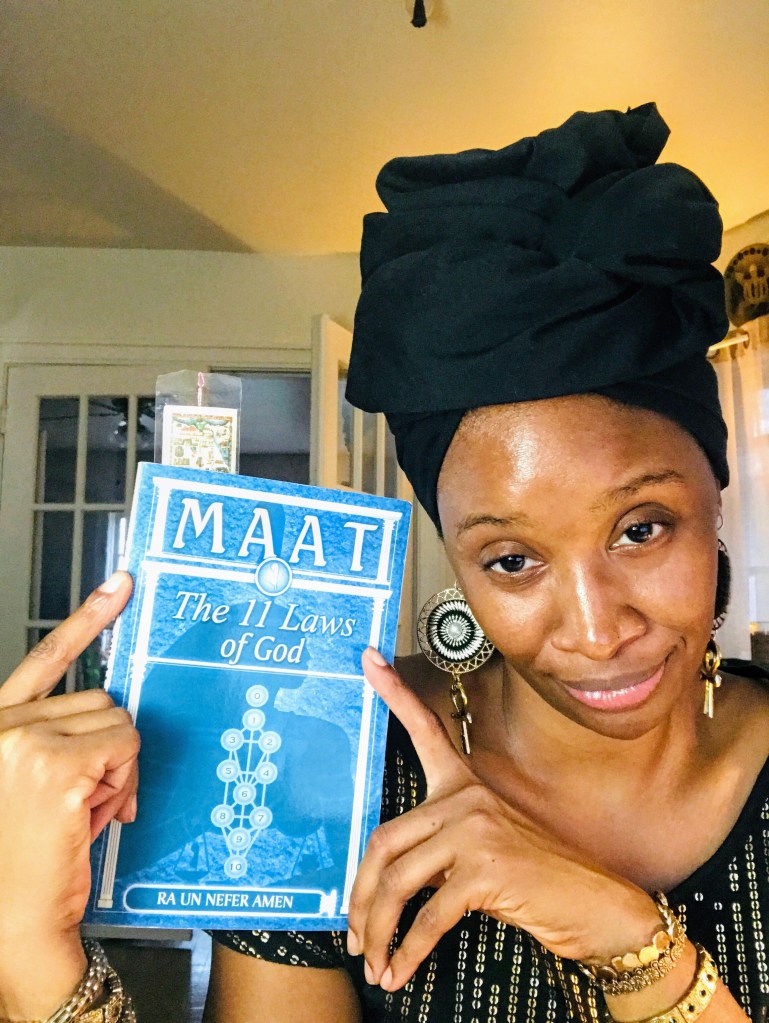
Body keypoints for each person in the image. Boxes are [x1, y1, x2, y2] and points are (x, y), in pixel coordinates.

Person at [1, 102, 766, 1023]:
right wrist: (27, 951)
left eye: (640, 529)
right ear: (456, 561)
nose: (597, 629)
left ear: (714, 492)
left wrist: (631, 944)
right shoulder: (328, 775)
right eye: (512, 558)